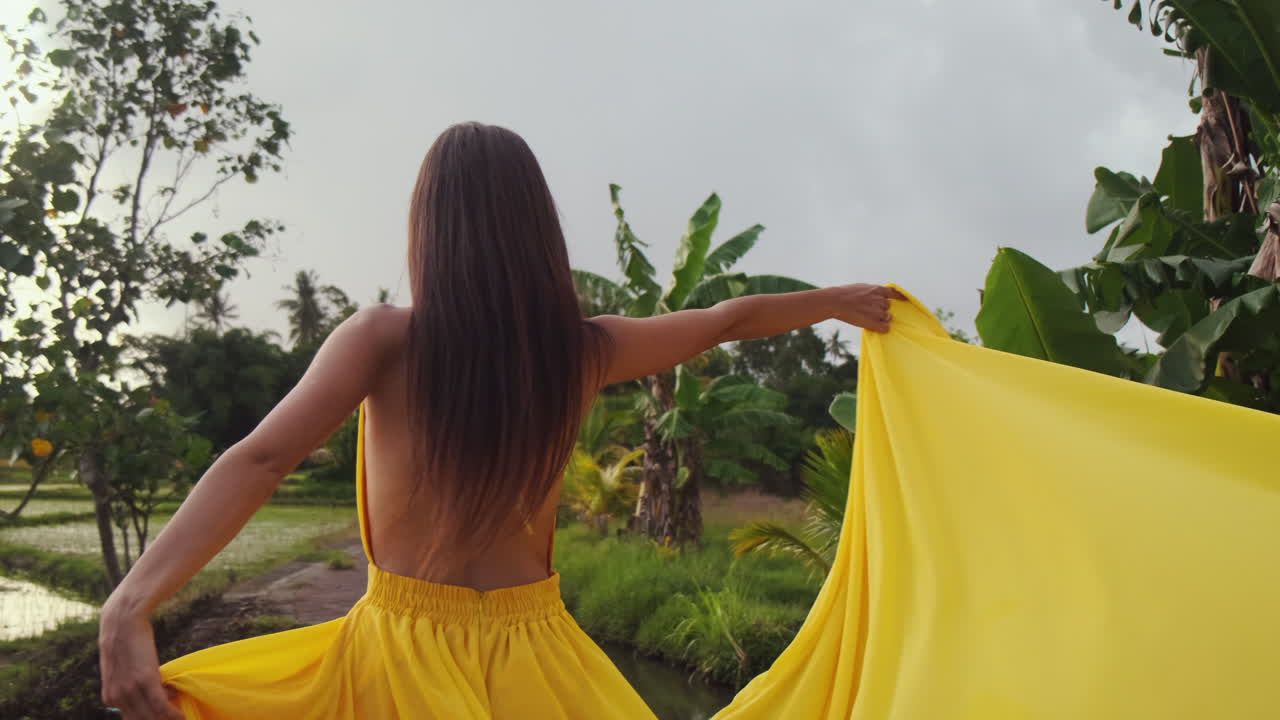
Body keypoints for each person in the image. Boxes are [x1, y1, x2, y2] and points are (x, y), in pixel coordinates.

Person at [97, 122, 903, 719]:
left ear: (429, 230)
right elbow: (728, 317)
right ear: (538, 231)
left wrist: (129, 603)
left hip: (400, 656)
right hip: (543, 661)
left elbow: (260, 460)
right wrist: (838, 301)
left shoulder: (382, 339)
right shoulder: (584, 351)